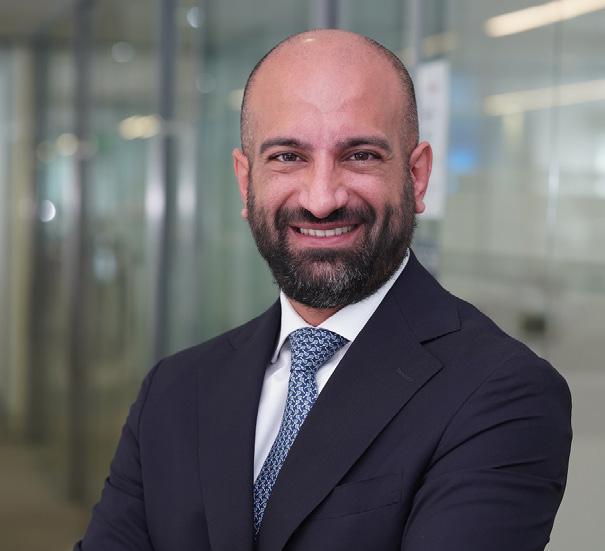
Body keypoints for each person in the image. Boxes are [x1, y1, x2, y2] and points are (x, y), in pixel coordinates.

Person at [76, 30, 572, 551]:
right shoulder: (175, 390)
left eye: (360, 155)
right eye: (288, 157)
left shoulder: (501, 394)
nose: (321, 199)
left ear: (417, 176)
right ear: (246, 181)